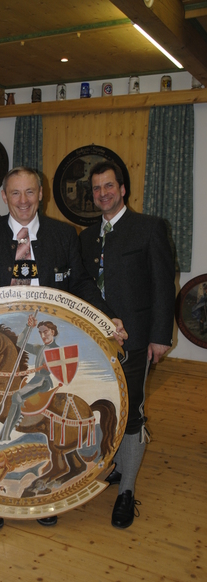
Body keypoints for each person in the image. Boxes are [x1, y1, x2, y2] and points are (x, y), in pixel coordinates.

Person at [0, 166, 127, 530]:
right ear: (4, 196)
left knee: (35, 411)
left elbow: (81, 283)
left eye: (30, 192)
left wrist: (108, 318)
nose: (23, 200)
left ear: (41, 193)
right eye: (15, 193)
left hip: (38, 346)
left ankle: (47, 498)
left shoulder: (63, 234)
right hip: (2, 343)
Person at [80, 160, 176, 529]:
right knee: (102, 407)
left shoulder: (149, 228)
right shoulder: (87, 237)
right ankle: (117, 465)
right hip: (94, 343)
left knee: (131, 409)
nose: (102, 193)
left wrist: (160, 336)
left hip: (134, 339)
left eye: (109, 186)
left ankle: (127, 492)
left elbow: (163, 285)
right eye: (96, 188)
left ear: (122, 189)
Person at [0, 315, 59, 442]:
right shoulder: (39, 348)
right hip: (35, 380)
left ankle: (5, 435)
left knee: (17, 396)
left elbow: (60, 368)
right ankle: (3, 434)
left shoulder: (56, 350)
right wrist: (28, 327)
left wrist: (51, 366)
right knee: (16, 396)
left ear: (52, 332)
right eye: (40, 332)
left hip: (43, 382)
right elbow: (20, 343)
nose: (42, 335)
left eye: (45, 332)